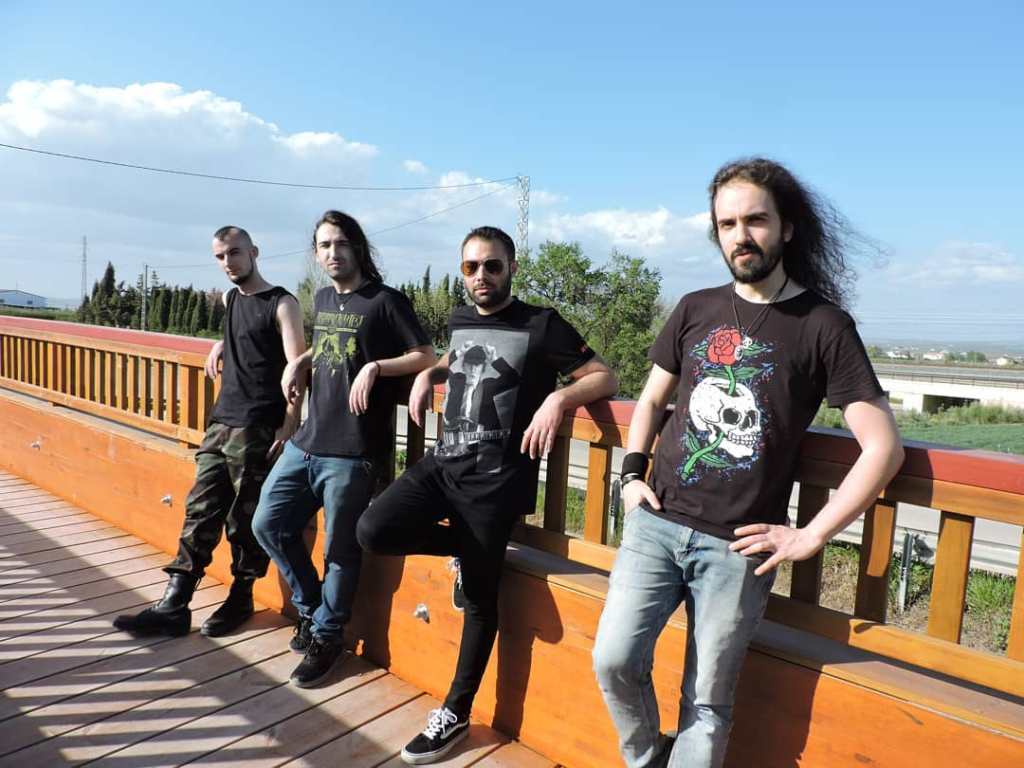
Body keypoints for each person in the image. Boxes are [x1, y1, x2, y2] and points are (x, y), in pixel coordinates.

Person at [592, 158, 905, 768]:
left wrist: (810, 535)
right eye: (727, 224)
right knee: (613, 660)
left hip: (738, 548)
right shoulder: (695, 307)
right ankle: (647, 758)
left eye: (755, 220)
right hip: (656, 523)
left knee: (706, 704)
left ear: (787, 227)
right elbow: (651, 399)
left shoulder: (824, 326)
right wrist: (630, 476)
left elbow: (883, 447)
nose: (741, 235)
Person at [357, 225, 618, 765]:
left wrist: (559, 400)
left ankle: (456, 712)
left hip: (496, 482)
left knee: (480, 600)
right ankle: (463, 546)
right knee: (373, 529)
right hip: (444, 464)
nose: (481, 276)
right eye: (471, 267)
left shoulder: (541, 324)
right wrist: (430, 372)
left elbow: (603, 377)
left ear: (511, 268)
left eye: (492, 266)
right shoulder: (461, 318)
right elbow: (458, 359)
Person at [252, 210, 434, 688]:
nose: (332, 253)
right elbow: (332, 343)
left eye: (340, 244)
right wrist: (300, 361)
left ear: (357, 247)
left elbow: (424, 355)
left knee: (340, 551)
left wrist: (376, 367)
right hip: (308, 441)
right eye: (324, 245)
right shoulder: (324, 297)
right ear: (317, 254)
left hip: (354, 451)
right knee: (267, 523)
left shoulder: (386, 301)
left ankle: (328, 636)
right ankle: (314, 611)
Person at [114, 226, 305, 638]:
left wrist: (290, 423)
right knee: (199, 510)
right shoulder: (231, 299)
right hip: (221, 423)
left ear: (254, 252)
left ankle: (241, 596)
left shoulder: (282, 303)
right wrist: (221, 344)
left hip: (259, 427)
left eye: (234, 253)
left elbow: (297, 369)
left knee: (243, 519)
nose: (227, 262)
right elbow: (244, 340)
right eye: (220, 256)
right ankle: (175, 603)